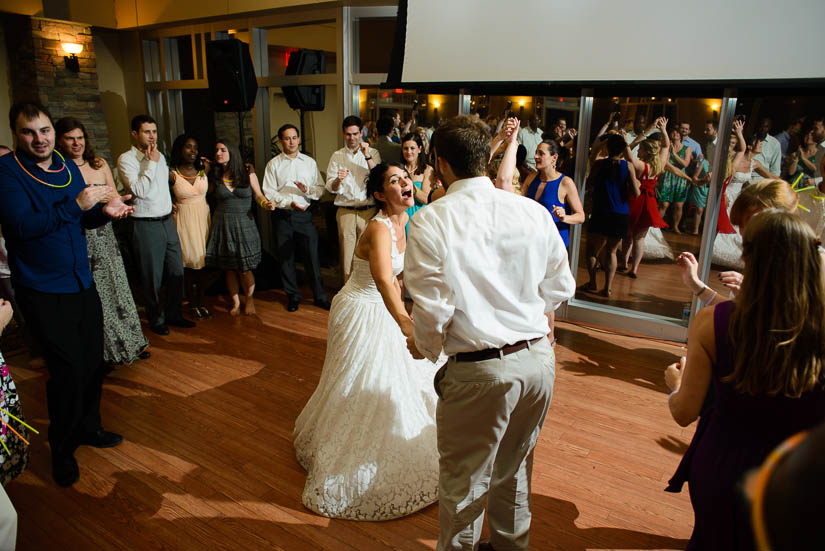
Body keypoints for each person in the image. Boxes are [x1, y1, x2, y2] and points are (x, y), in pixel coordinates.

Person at [404, 115, 576, 550]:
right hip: (537, 362)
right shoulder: (531, 211)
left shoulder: (430, 221)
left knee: (463, 489)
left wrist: (423, 347)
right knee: (514, 472)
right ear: (488, 155)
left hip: (482, 372)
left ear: (440, 164)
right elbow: (560, 288)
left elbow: (433, 310)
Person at [664, 209, 825, 551]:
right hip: (803, 476)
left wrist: (675, 384)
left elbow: (683, 413)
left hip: (727, 468)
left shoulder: (713, 324)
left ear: (750, 257)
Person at [294, 162, 439, 520]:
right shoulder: (377, 228)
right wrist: (406, 323)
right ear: (378, 194)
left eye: (406, 178)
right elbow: (384, 281)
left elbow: (403, 280)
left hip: (389, 308)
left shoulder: (409, 221)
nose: (405, 183)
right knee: (362, 381)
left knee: (397, 377)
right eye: (395, 181)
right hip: (360, 308)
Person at [0, 102, 134, 486]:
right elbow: (22, 226)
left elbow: (84, 217)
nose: (39, 139)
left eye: (44, 130)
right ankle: (62, 448)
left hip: (81, 281)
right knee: (66, 372)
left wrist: (106, 212)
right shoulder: (8, 173)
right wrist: (76, 205)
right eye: (29, 132)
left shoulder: (64, 165)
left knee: (94, 363)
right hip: (42, 287)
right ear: (16, 133)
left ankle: (89, 428)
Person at [54, 117, 150, 365]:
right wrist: (96, 198)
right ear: (59, 141)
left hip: (105, 232)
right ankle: (105, 352)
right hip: (82, 237)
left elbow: (114, 195)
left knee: (118, 286)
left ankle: (131, 343)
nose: (77, 143)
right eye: (70, 138)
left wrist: (109, 200)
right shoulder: (59, 170)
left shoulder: (99, 164)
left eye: (80, 137)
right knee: (98, 295)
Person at [117, 114, 194, 335]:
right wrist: (151, 163)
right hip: (145, 225)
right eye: (146, 132)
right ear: (134, 134)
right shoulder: (127, 160)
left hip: (167, 221)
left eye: (154, 131)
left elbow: (160, 187)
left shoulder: (160, 156)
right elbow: (138, 191)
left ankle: (173, 313)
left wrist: (169, 204)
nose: (152, 136)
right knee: (153, 277)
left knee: (176, 271)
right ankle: (156, 318)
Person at [677, 178, 800, 306]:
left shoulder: (806, 263)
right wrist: (695, 284)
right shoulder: (762, 255)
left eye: (752, 224)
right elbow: (737, 312)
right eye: (740, 225)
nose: (743, 233)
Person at [261, 124, 330, 313]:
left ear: (299, 139)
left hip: (305, 216)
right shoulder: (273, 164)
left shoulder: (309, 162)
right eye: (287, 138)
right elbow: (269, 192)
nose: (291, 142)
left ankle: (320, 296)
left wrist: (307, 190)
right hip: (282, 216)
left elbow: (320, 189)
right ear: (281, 140)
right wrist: (289, 202)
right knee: (286, 259)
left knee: (312, 258)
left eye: (294, 138)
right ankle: (293, 297)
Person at [205, 140, 265, 315]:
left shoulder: (247, 172)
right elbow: (201, 193)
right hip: (223, 225)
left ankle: (250, 300)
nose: (218, 153)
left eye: (223, 150)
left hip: (244, 224)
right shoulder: (215, 176)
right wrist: (206, 171)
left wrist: (265, 203)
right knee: (229, 268)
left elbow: (258, 195)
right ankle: (236, 302)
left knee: (245, 268)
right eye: (216, 150)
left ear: (232, 151)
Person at [584, 133, 640, 296]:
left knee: (592, 251)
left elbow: (588, 185)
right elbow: (636, 193)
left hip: (601, 211)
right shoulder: (628, 166)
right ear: (622, 149)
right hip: (620, 213)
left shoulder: (600, 165)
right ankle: (607, 288)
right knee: (612, 251)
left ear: (608, 148)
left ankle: (593, 282)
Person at [326, 116, 380, 282]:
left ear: (361, 132)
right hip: (346, 211)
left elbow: (379, 177)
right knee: (347, 257)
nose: (352, 138)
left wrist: (367, 156)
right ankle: (347, 297)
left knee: (369, 255)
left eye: (355, 134)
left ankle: (366, 295)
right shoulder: (337, 156)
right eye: (348, 134)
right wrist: (338, 180)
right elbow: (330, 186)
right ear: (344, 134)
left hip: (369, 211)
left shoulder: (373, 153)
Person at [620, 117, 671, 277]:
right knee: (640, 238)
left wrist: (625, 140)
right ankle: (634, 269)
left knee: (628, 235)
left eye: (641, 149)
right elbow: (667, 146)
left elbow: (628, 157)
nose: (639, 152)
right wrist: (663, 130)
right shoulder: (658, 165)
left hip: (634, 199)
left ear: (646, 151)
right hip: (649, 202)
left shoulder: (642, 165)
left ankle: (623, 262)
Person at [169, 134, 212, 319]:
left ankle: (201, 301)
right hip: (184, 220)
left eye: (195, 147)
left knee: (203, 263)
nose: (193, 151)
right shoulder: (172, 174)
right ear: (180, 150)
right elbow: (159, 193)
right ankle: (192, 304)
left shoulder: (204, 170)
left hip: (203, 218)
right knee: (187, 264)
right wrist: (168, 203)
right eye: (188, 147)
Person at [657, 127, 693, 232]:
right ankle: (657, 226)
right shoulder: (666, 146)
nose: (675, 133)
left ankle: (675, 226)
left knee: (679, 205)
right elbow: (664, 162)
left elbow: (685, 164)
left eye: (677, 132)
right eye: (673, 131)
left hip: (681, 178)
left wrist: (675, 154)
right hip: (667, 176)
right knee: (664, 204)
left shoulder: (687, 148)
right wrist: (670, 151)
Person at [401, 132, 433, 234]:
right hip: (401, 218)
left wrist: (412, 187)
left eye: (412, 148)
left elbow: (426, 199)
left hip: (419, 219)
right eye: (405, 148)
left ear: (419, 149)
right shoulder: (398, 169)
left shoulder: (427, 170)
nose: (408, 152)